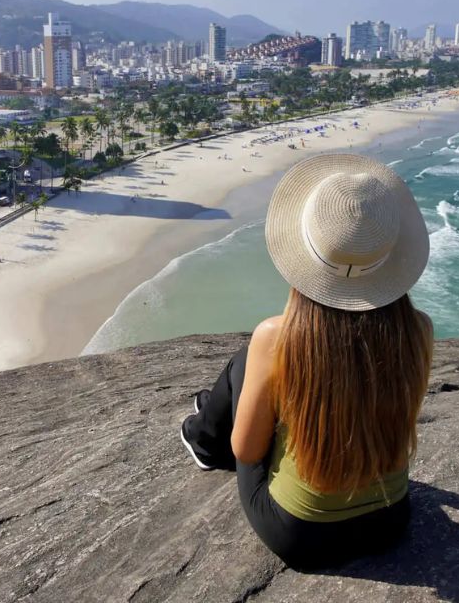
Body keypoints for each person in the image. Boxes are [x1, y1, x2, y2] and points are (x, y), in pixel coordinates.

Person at [180, 153, 433, 570]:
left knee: (249, 363)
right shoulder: (417, 329)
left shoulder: (276, 337)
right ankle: (209, 417)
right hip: (390, 521)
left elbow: (245, 449)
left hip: (301, 533)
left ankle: (203, 437)